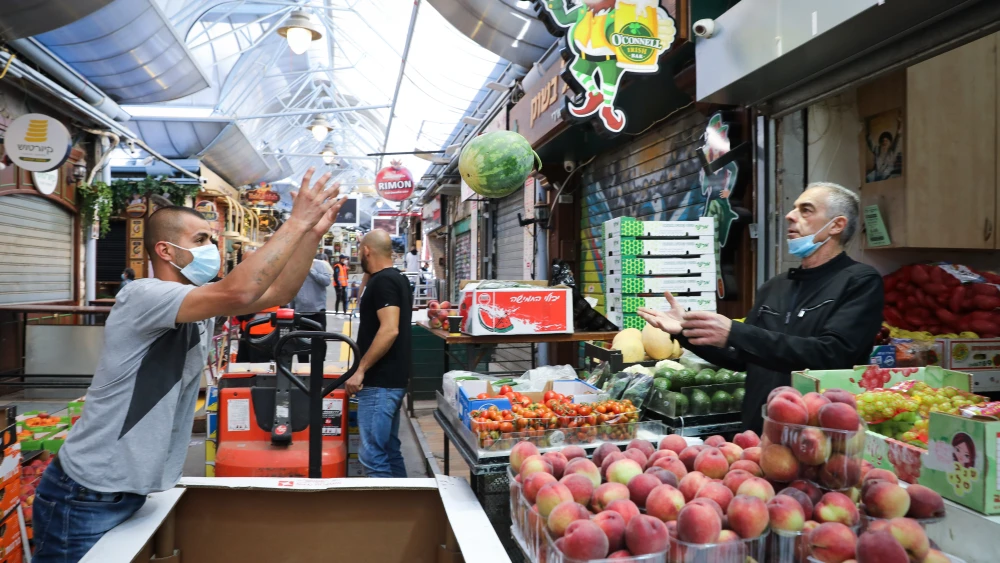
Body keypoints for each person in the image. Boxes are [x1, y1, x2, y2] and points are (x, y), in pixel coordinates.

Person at [31, 169, 343, 562]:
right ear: (165, 251)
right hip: (86, 494)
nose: (210, 248)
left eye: (211, 239)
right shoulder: (144, 296)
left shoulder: (197, 303)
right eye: (200, 240)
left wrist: (311, 235)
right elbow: (240, 290)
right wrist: (295, 221)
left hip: (127, 489)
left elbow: (279, 291)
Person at [639, 182, 884, 434]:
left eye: (806, 210)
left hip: (817, 433)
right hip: (760, 431)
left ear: (836, 225)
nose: (790, 215)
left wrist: (736, 333)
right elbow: (741, 356)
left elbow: (832, 354)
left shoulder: (860, 281)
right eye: (793, 208)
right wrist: (684, 331)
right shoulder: (775, 287)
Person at [344, 230, 412, 478]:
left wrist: (360, 370)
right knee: (389, 450)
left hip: (380, 383)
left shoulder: (383, 282)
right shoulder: (393, 279)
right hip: (391, 381)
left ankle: (387, 513)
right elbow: (365, 298)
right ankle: (403, 507)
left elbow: (389, 329)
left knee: (373, 455)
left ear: (366, 252)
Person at [292, 253, 334, 363]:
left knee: (319, 341)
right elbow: (291, 289)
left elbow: (326, 281)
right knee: (302, 344)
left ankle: (318, 366)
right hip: (301, 312)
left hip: (317, 312)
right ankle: (303, 370)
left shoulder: (319, 265)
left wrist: (311, 271)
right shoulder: (294, 266)